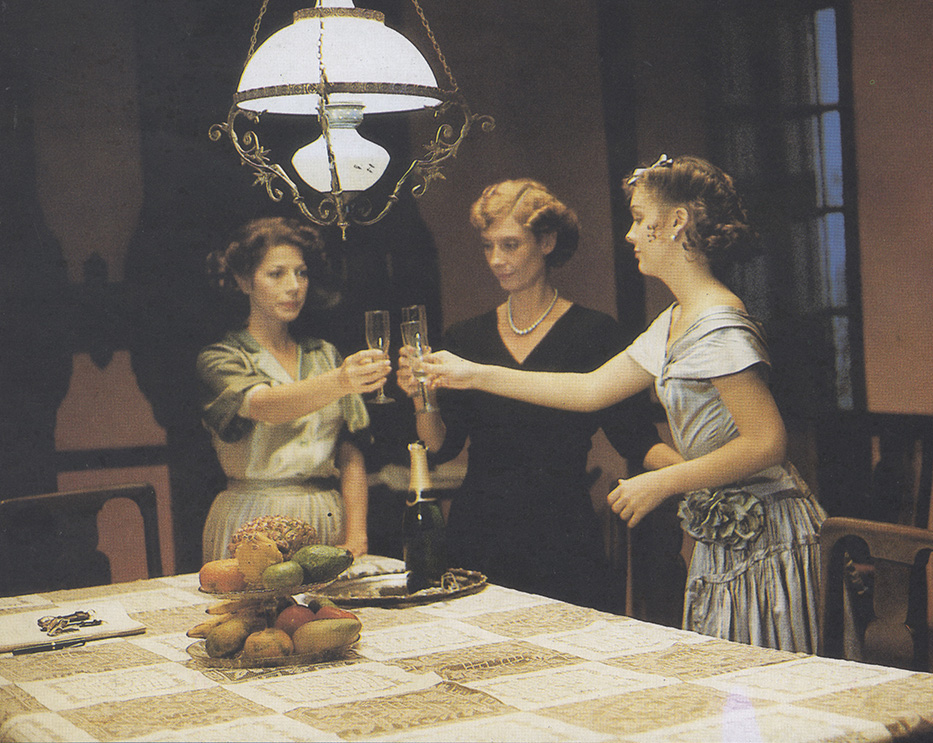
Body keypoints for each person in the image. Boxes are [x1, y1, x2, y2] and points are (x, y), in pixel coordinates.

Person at [419, 156, 826, 652]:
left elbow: (767, 442)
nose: (630, 234)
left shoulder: (717, 320)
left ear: (676, 222)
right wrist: (474, 373)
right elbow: (589, 390)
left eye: (638, 218)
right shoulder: (675, 318)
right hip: (726, 525)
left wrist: (663, 481)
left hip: (763, 529)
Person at [396, 179, 678, 612]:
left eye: (510, 245)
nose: (497, 260)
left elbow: (638, 440)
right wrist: (421, 396)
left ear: (547, 242)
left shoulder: (595, 333)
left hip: (563, 535)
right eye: (488, 246)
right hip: (479, 532)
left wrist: (706, 477)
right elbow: (441, 446)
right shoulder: (466, 337)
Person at [197, 216, 391, 563]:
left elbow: (349, 451)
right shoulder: (220, 358)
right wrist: (341, 381)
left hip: (326, 515)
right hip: (252, 516)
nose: (294, 286)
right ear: (244, 281)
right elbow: (267, 406)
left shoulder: (324, 355)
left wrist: (356, 535)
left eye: (301, 273)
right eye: (276, 274)